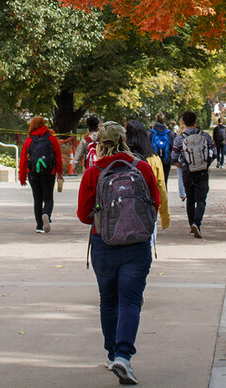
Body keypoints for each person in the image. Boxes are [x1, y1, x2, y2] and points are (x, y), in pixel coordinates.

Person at [77, 122, 161, 386]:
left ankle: (112, 354)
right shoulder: (142, 167)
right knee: (131, 301)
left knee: (109, 300)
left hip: (104, 244)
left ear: (99, 142)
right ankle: (124, 356)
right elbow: (155, 204)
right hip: (137, 245)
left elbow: (83, 215)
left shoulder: (93, 172)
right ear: (125, 141)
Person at [172, 111, 217, 238]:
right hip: (202, 172)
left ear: (183, 122)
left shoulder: (179, 139)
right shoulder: (206, 136)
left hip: (188, 173)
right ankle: (197, 223)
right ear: (196, 121)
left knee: (190, 200)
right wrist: (205, 164)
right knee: (201, 200)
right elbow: (214, 153)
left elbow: (174, 159)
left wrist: (184, 166)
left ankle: (192, 224)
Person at [19, 116, 64, 233]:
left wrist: (22, 177)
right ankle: (46, 214)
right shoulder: (51, 139)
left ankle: (39, 226)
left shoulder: (29, 141)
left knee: (37, 199)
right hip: (49, 173)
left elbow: (23, 160)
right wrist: (59, 172)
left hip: (33, 173)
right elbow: (58, 157)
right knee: (48, 197)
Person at [127, 119, 171, 237]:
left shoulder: (120, 158)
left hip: (123, 210)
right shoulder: (153, 159)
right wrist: (164, 216)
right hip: (147, 211)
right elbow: (161, 188)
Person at [148, 114, 175, 183]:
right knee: (164, 181)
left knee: (154, 182)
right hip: (166, 161)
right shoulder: (169, 133)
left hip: (153, 161)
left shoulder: (150, 133)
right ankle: (164, 193)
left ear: (155, 120)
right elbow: (172, 147)